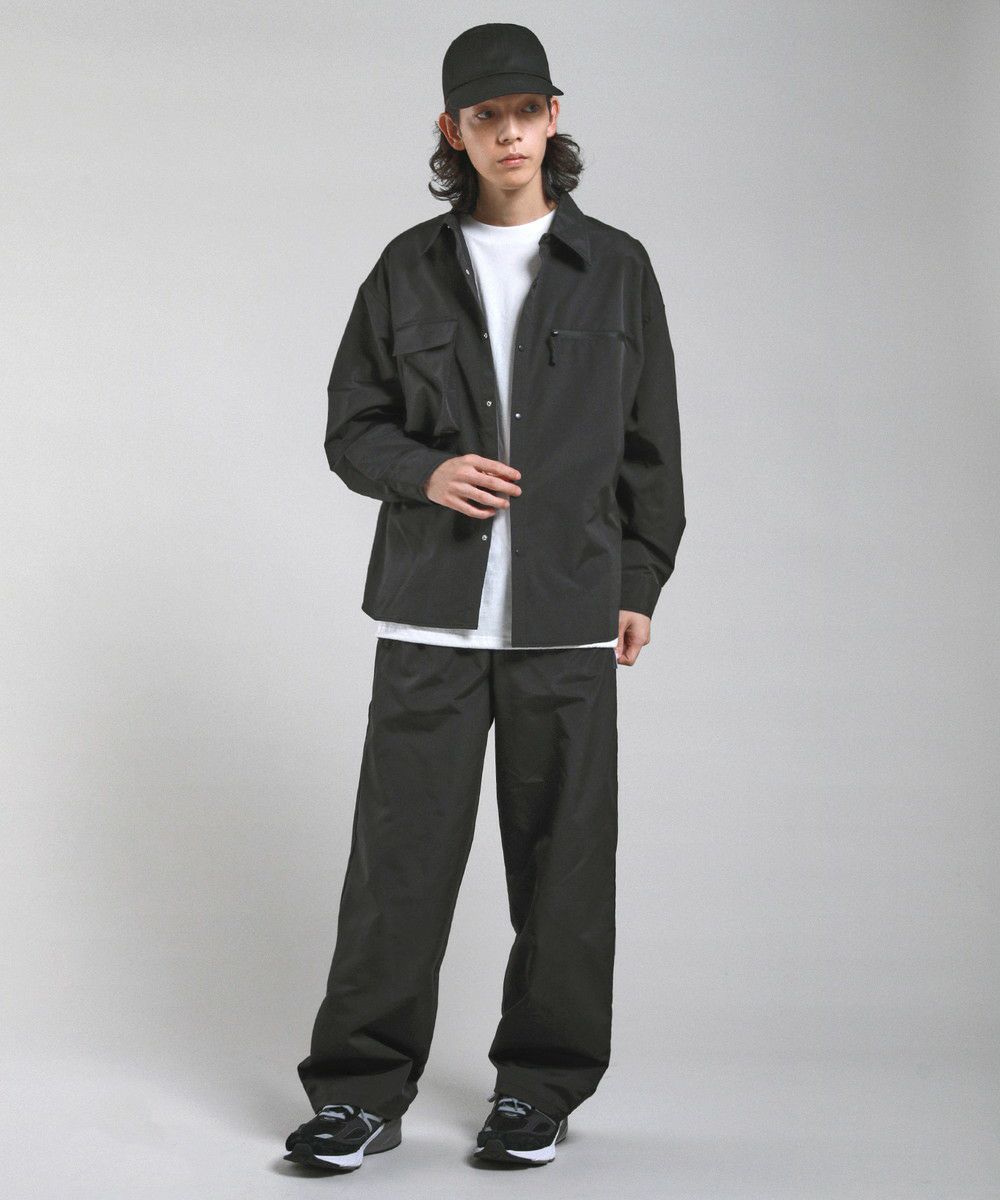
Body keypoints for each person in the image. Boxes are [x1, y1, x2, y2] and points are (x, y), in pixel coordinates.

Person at [283, 22, 685, 1172]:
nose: (508, 134)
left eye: (526, 112)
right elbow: (351, 427)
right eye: (484, 116)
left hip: (568, 610)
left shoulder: (616, 268)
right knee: (398, 864)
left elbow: (651, 445)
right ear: (451, 132)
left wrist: (640, 578)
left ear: (553, 117)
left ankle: (539, 1090)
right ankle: (359, 1093)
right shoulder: (405, 268)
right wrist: (426, 472)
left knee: (565, 867)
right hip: (432, 611)